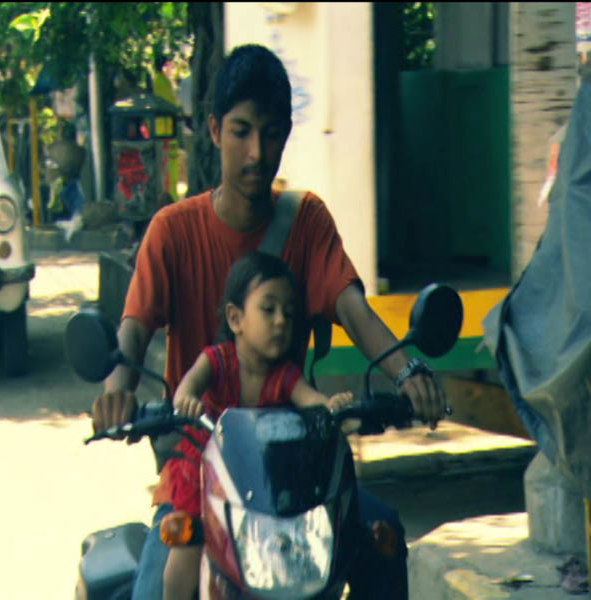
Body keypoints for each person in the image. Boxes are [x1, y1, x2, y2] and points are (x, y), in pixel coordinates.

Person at [91, 43, 447, 599]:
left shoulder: (306, 221)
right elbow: (133, 328)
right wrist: (117, 391)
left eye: (272, 133)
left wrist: (406, 372)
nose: (257, 152)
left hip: (297, 478)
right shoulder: (172, 231)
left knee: (383, 536)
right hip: (202, 475)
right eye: (241, 131)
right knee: (155, 587)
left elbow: (352, 307)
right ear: (214, 130)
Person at [163, 251, 354, 598]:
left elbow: (313, 401)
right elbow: (185, 390)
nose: (281, 321)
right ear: (235, 318)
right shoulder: (217, 361)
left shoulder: (285, 376)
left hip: (263, 483)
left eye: (289, 313)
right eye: (268, 309)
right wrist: (186, 401)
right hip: (207, 474)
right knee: (187, 544)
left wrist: (334, 409)